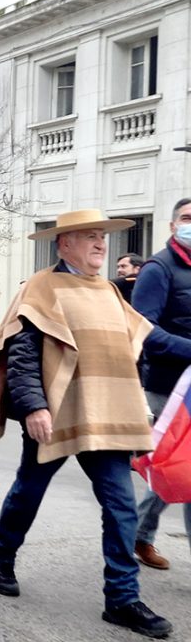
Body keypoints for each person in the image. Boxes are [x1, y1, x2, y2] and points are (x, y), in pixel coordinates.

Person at [0, 209, 172, 639]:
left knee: (121, 507)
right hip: (57, 414)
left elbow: (141, 344)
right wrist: (33, 407)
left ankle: (122, 598)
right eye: (89, 237)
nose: (100, 244)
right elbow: (23, 352)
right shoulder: (41, 288)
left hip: (107, 417)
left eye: (102, 236)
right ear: (64, 243)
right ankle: (0, 553)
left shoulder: (108, 290)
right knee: (28, 493)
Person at [131, 197, 191, 571]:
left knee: (180, 469)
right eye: (186, 218)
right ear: (172, 226)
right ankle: (137, 534)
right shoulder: (158, 268)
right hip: (168, 389)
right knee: (177, 468)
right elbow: (142, 329)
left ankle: (139, 533)